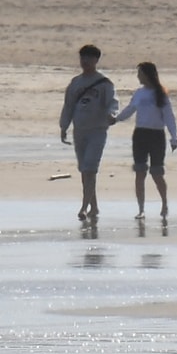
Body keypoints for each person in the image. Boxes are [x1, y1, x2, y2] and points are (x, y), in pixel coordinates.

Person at [59, 43, 119, 222]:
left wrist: (112, 114)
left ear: (96, 60)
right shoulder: (75, 83)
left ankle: (84, 208)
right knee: (84, 170)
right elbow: (68, 105)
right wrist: (64, 126)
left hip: (97, 131)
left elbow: (113, 102)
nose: (85, 61)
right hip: (80, 131)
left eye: (89, 58)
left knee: (90, 169)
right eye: (82, 58)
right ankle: (94, 206)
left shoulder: (104, 83)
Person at [112, 61, 177, 221]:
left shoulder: (160, 94)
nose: (138, 76)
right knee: (140, 172)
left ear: (147, 74)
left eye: (140, 73)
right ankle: (141, 209)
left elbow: (169, 116)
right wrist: (116, 119)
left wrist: (174, 137)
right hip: (140, 134)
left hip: (156, 136)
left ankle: (164, 204)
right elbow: (130, 109)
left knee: (156, 173)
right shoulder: (139, 93)